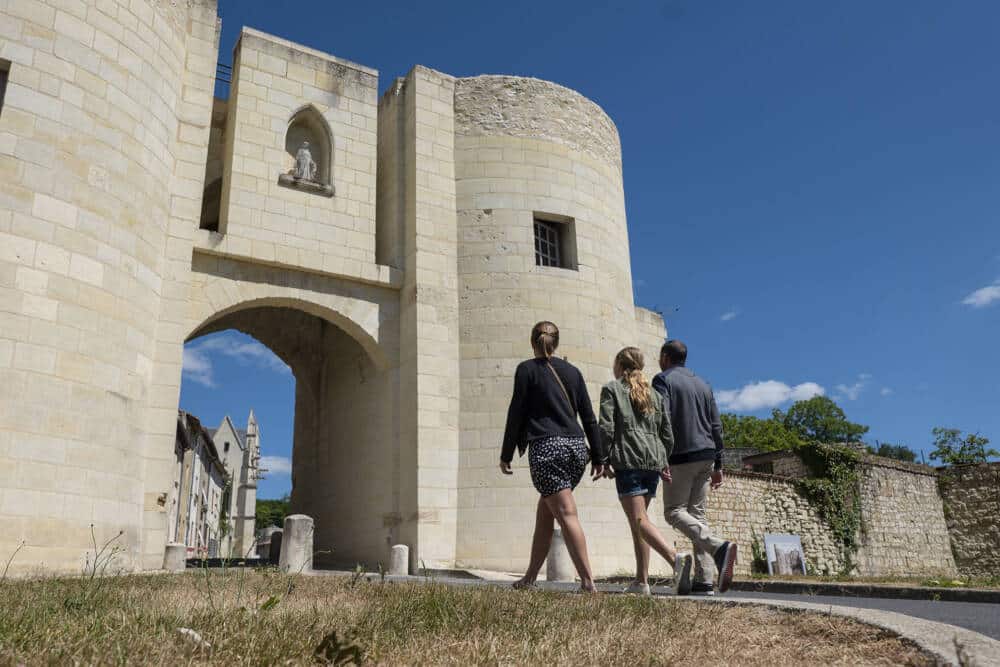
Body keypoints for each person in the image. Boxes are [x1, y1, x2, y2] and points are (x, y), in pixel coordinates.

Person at [500, 321, 606, 592]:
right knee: (546, 514)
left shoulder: (526, 370)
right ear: (556, 343)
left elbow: (516, 412)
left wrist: (506, 453)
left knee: (566, 512)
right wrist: (599, 457)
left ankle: (588, 582)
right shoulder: (573, 372)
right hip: (575, 449)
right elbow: (589, 418)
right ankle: (530, 578)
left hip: (547, 449)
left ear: (532, 341)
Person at [599, 347, 693, 596]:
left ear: (620, 364)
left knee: (639, 521)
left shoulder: (612, 389)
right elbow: (667, 435)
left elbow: (606, 428)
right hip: (652, 463)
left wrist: (602, 457)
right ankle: (641, 582)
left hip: (628, 461)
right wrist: (663, 461)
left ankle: (676, 560)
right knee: (640, 522)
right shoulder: (655, 395)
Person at [652, 340, 737, 595]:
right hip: (707, 455)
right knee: (697, 516)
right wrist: (719, 463)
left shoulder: (662, 380)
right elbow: (716, 425)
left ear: (666, 357)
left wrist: (661, 454)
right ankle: (705, 580)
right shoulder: (703, 384)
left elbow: (662, 417)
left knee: (673, 512)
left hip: (680, 455)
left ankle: (719, 546)